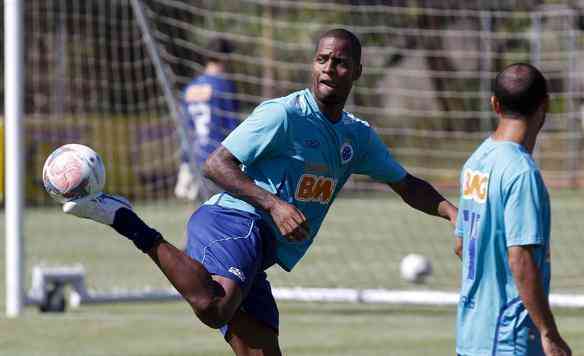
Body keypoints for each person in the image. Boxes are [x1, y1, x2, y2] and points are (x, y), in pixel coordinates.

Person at [62, 28, 458, 356]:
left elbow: (407, 184)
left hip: (260, 250)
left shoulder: (358, 136)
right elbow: (216, 164)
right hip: (233, 220)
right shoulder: (283, 113)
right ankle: (126, 221)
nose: (328, 68)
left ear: (357, 71)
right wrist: (275, 205)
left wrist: (453, 214)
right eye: (322, 59)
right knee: (215, 306)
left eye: (339, 62)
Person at [454, 63, 571, 356]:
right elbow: (520, 259)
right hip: (509, 339)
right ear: (545, 105)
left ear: (494, 104)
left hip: (471, 335)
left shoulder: (475, 161)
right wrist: (549, 333)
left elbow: (461, 244)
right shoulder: (521, 173)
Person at [175, 37, 239, 202]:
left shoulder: (190, 88)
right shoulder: (224, 86)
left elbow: (185, 127)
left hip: (195, 156)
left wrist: (185, 161)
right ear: (224, 57)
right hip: (219, 157)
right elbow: (232, 126)